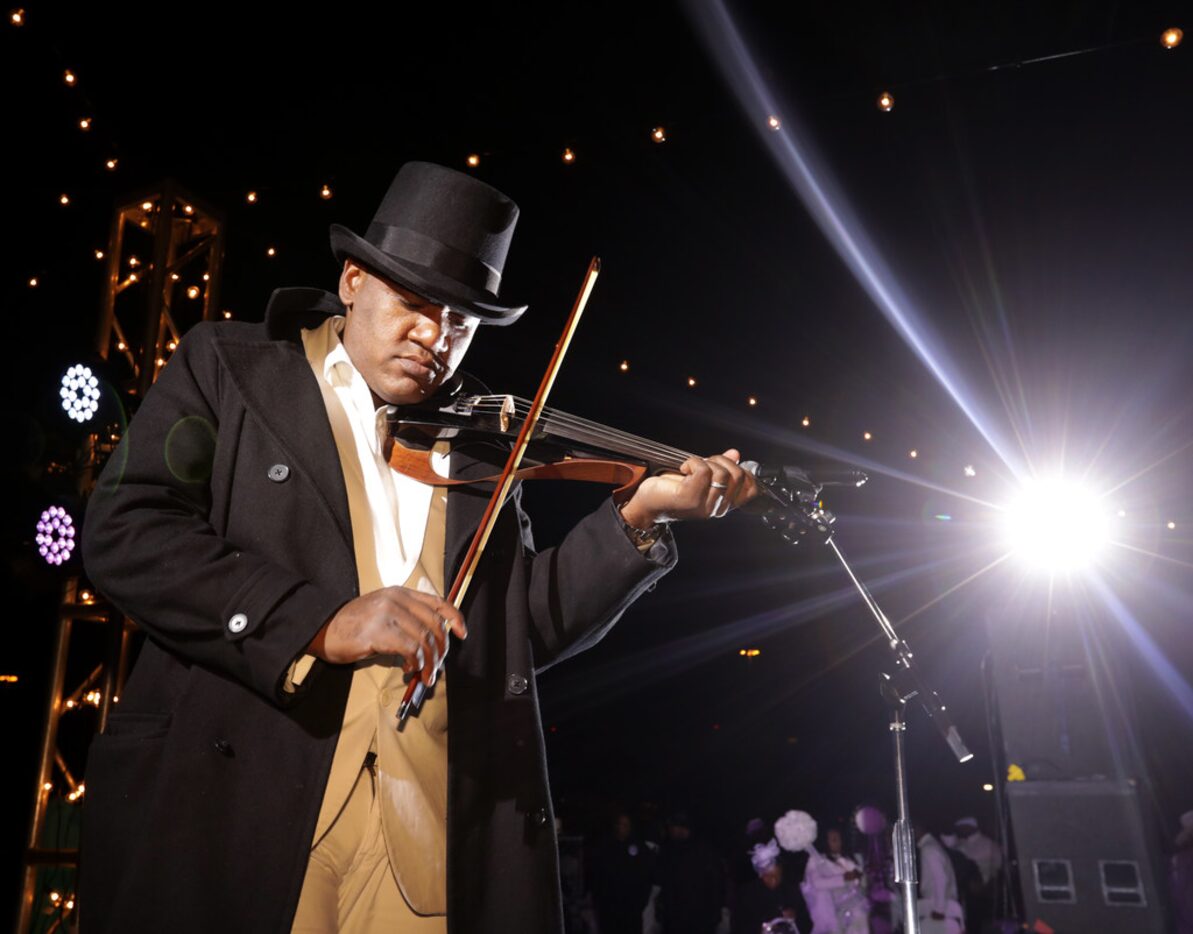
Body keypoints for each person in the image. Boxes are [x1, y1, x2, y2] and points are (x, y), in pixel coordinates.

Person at [78, 161, 758, 933]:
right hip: (249, 802)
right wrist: (315, 622)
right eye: (414, 303)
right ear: (353, 280)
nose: (434, 337)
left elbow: (516, 633)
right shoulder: (227, 367)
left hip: (428, 824)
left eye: (461, 322)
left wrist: (636, 521)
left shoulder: (477, 447)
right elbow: (127, 528)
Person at [654, 812, 727, 934]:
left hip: (699, 918)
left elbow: (716, 883)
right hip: (676, 918)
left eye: (672, 827)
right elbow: (665, 883)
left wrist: (715, 913)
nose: (670, 830)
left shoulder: (703, 851)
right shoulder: (669, 850)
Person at [588, 812, 656, 934]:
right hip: (609, 909)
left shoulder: (640, 848)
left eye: (625, 825)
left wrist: (640, 903)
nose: (621, 828)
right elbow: (597, 876)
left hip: (631, 909)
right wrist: (599, 901)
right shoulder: (605, 847)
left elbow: (647, 876)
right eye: (619, 824)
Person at [731, 839, 812, 934]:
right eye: (768, 876)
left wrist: (795, 917)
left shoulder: (791, 890)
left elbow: (808, 924)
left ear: (782, 871)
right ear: (760, 874)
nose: (773, 880)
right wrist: (762, 927)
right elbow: (738, 926)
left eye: (777, 876)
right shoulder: (748, 893)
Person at [801, 828, 868, 934]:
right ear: (826, 842)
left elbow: (864, 882)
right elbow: (817, 883)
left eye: (839, 839)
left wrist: (859, 876)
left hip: (859, 906)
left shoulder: (852, 858)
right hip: (835, 910)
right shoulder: (816, 860)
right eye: (833, 839)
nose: (838, 842)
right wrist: (843, 878)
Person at [915, 826, 964, 934]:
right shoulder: (932, 846)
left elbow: (941, 878)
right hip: (941, 907)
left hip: (937, 910)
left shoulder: (929, 849)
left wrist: (939, 909)